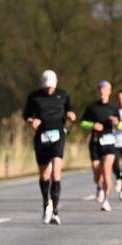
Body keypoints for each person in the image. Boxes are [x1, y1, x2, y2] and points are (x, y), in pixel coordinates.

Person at [23, 69, 77, 225]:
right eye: (47, 87)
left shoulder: (63, 95)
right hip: (41, 136)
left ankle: (55, 211)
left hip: (58, 135)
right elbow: (26, 115)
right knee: (44, 175)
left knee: (56, 172)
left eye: (51, 87)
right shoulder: (34, 97)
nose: (49, 89)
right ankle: (46, 203)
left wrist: (71, 114)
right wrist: (31, 121)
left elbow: (69, 109)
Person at [80, 81, 121, 212]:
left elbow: (120, 126)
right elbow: (82, 123)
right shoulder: (92, 107)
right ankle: (99, 186)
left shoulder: (114, 108)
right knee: (97, 173)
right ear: (98, 92)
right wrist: (92, 125)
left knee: (106, 170)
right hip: (95, 143)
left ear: (109, 91)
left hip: (109, 142)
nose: (103, 92)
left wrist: (117, 122)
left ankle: (106, 200)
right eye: (101, 90)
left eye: (105, 90)